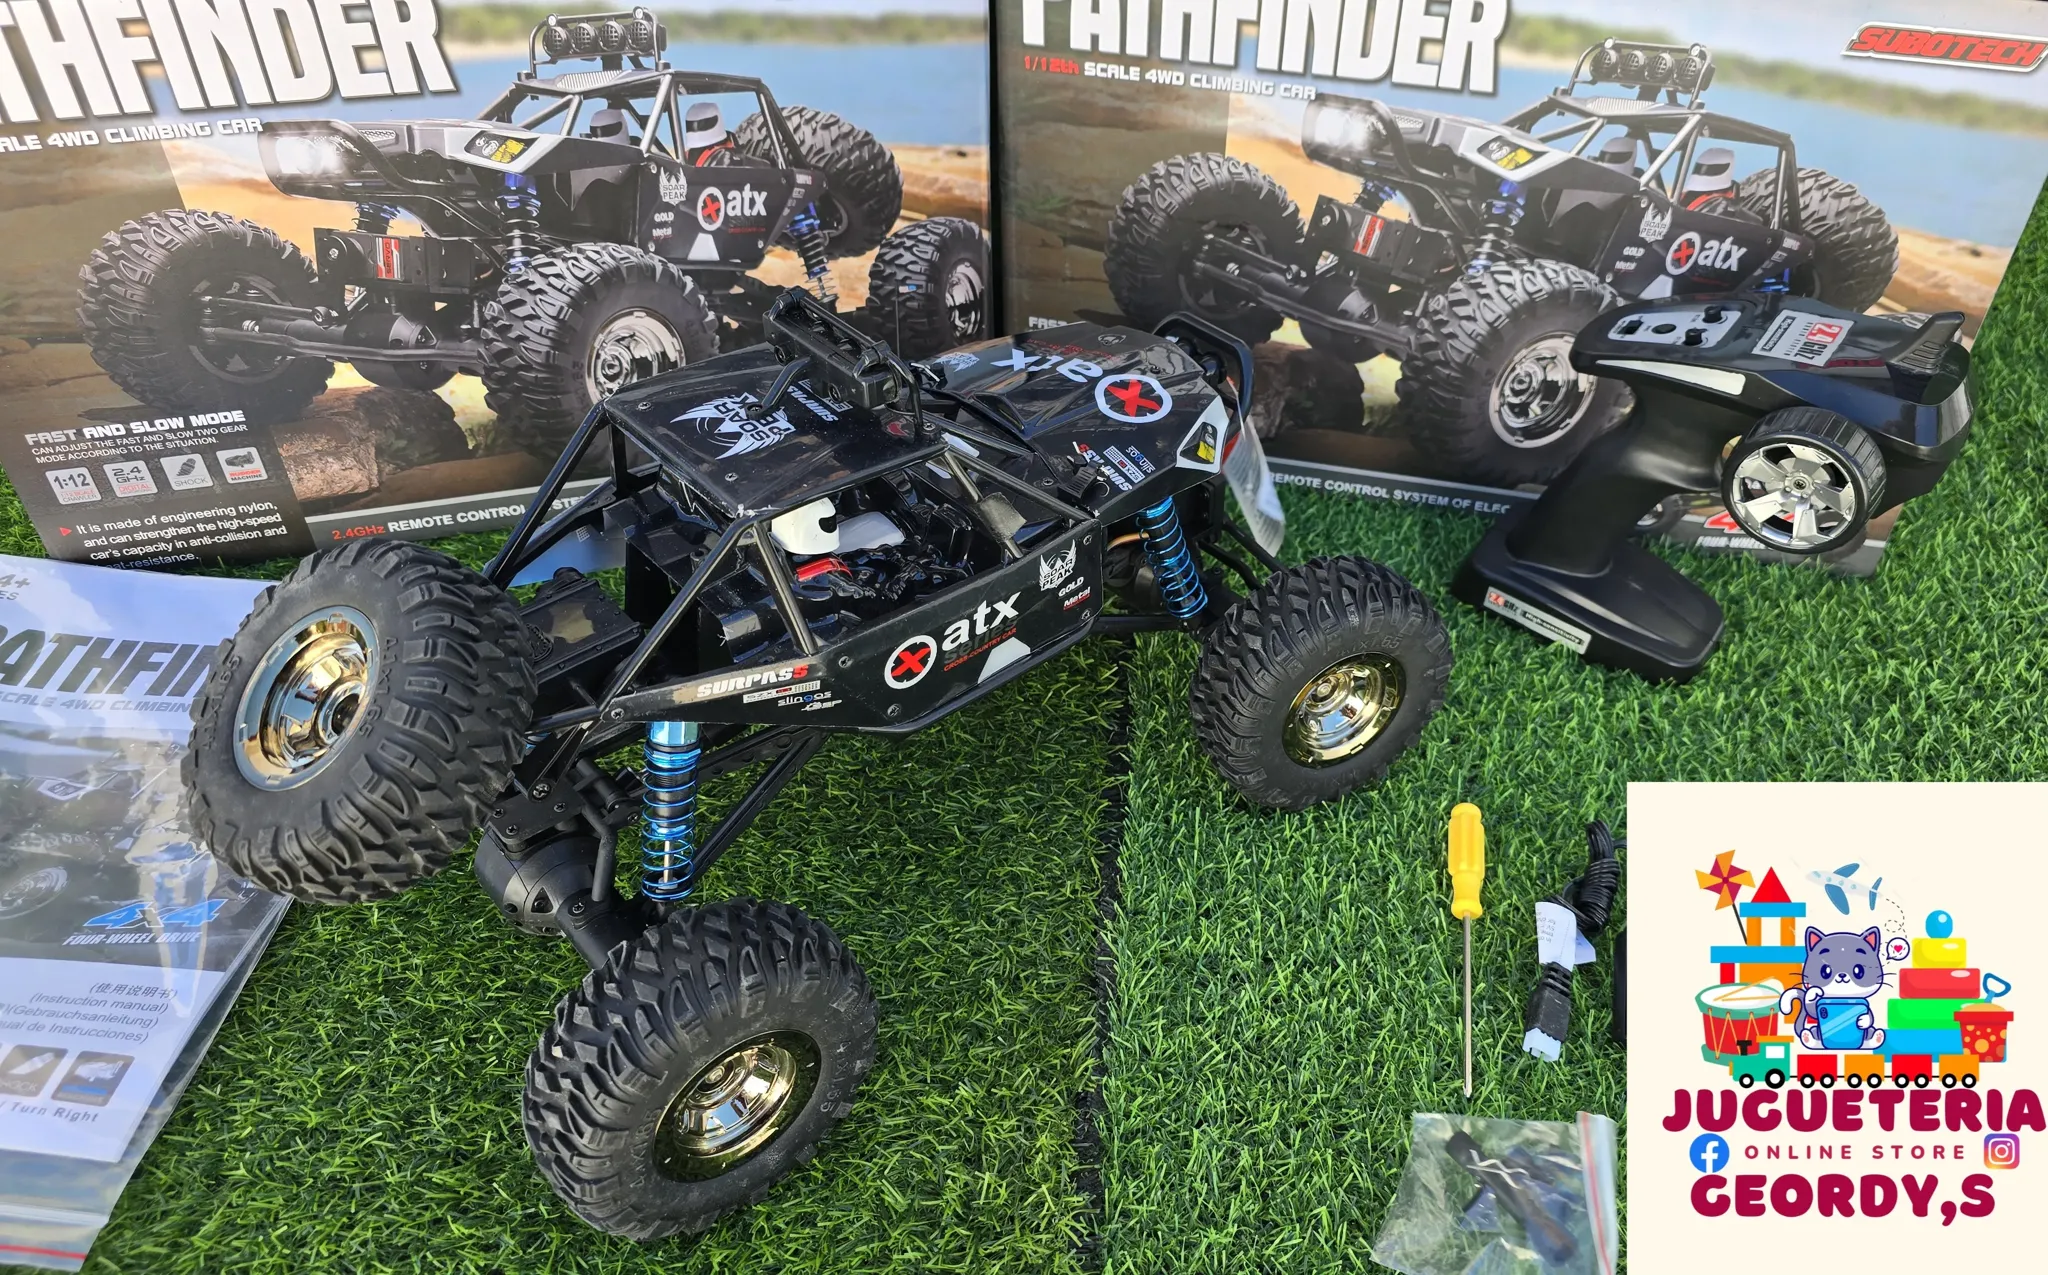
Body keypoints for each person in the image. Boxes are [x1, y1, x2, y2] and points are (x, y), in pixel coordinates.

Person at [1680, 146, 1738, 211]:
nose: (1703, 173)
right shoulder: (1686, 195)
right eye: (1700, 168)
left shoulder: (1723, 205)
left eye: (1712, 169)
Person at [685, 101, 738, 166]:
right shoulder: (688, 155)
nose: (695, 128)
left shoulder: (729, 157)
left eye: (702, 124)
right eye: (691, 125)